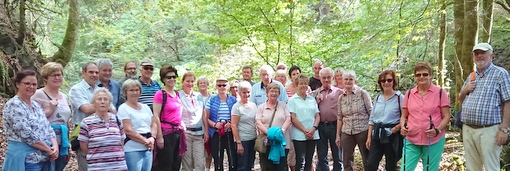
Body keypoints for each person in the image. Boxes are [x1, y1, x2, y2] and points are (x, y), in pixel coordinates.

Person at [459, 43, 510, 171]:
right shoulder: (471, 76)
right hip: (468, 129)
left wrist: (504, 129)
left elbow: (508, 102)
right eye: (476, 53)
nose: (479, 56)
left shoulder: (500, 74)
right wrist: (465, 90)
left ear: (491, 55)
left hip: (489, 130)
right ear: (473, 57)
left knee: (491, 167)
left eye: (483, 53)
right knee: (471, 168)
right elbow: (460, 100)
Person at [2, 70, 58, 171]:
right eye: (27, 83)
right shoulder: (14, 105)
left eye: (34, 84)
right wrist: (48, 150)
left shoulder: (35, 105)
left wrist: (55, 146)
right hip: (26, 159)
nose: (31, 87)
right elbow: (26, 134)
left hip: (43, 158)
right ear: (18, 84)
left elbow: (47, 127)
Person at [400, 61, 450, 171]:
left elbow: (446, 116)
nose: (421, 77)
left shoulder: (441, 93)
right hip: (412, 139)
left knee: (430, 169)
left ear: (430, 75)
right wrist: (403, 126)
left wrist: (437, 130)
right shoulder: (409, 94)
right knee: (405, 169)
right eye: (418, 75)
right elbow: (404, 116)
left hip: (433, 140)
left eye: (425, 74)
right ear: (415, 77)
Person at [69, 62, 116, 171]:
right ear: (83, 73)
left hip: (104, 135)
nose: (94, 75)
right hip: (85, 134)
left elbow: (114, 112)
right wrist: (105, 107)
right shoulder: (76, 89)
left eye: (96, 72)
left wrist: (101, 107)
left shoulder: (100, 91)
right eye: (91, 72)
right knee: (87, 166)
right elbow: (86, 109)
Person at [31, 62, 72, 171]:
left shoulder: (64, 96)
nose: (57, 78)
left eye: (59, 75)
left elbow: (66, 122)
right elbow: (32, 119)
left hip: (62, 140)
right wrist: (49, 110)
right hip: (45, 141)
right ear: (45, 78)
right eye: (53, 75)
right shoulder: (37, 95)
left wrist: (67, 144)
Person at [78, 88, 128, 171]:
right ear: (93, 103)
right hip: (97, 167)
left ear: (109, 103)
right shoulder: (86, 122)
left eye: (105, 99)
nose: (102, 102)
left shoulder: (117, 119)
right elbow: (84, 146)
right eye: (99, 99)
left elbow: (121, 142)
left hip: (119, 166)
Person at [365, 70, 403, 171]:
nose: (386, 83)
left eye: (389, 80)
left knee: (391, 165)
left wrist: (394, 129)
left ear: (393, 81)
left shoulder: (399, 98)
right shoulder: (378, 98)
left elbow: (406, 117)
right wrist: (369, 137)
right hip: (377, 134)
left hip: (392, 135)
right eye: (383, 81)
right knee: (370, 165)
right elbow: (372, 118)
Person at [117, 79, 158, 171]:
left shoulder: (146, 107)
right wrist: (145, 141)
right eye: (131, 90)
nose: (134, 92)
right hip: (132, 149)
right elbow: (128, 130)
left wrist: (152, 138)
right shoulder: (123, 108)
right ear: (125, 92)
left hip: (148, 148)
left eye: (137, 90)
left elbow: (153, 124)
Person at [335, 70, 372, 171]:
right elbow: (339, 117)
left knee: (367, 158)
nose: (348, 81)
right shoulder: (341, 98)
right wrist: (338, 135)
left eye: (350, 79)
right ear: (342, 81)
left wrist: (370, 134)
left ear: (354, 80)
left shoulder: (362, 94)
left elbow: (371, 114)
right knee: (347, 160)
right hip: (346, 131)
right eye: (346, 79)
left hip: (362, 130)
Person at [152, 65, 185, 171]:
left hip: (178, 133)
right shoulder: (160, 94)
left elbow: (177, 113)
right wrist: (159, 137)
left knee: (176, 164)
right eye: (169, 77)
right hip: (166, 133)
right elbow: (156, 115)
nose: (172, 79)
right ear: (163, 79)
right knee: (165, 165)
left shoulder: (177, 94)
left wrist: (182, 123)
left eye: (174, 77)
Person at [312, 68, 343, 171]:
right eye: (324, 78)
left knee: (337, 155)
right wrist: (316, 101)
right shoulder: (315, 93)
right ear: (320, 79)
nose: (326, 80)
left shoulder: (339, 93)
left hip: (335, 126)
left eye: (328, 77)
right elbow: (310, 111)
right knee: (322, 155)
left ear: (332, 78)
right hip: (320, 126)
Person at [256, 83, 292, 171]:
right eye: (271, 91)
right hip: (267, 142)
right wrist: (270, 134)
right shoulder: (261, 107)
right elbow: (258, 122)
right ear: (267, 93)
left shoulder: (283, 105)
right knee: (267, 167)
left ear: (279, 94)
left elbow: (288, 118)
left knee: (282, 167)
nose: (274, 93)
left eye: (276, 91)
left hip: (281, 142)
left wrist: (281, 131)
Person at [289, 74, 320, 171]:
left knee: (309, 161)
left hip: (313, 134)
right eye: (301, 83)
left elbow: (317, 115)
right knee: (300, 161)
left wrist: (313, 129)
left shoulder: (311, 99)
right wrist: (305, 131)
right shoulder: (292, 100)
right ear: (297, 85)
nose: (303, 86)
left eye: (305, 83)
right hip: (299, 135)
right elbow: (293, 118)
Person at [206, 77, 238, 171]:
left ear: (227, 86)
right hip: (216, 133)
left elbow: (238, 115)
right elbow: (206, 118)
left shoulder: (233, 100)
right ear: (216, 86)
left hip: (230, 132)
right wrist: (215, 125)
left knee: (232, 158)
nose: (222, 87)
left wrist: (231, 123)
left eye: (224, 85)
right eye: (219, 85)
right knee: (218, 159)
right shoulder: (211, 100)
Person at [179, 71, 207, 171]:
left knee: (200, 164)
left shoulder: (199, 96)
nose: (190, 84)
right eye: (188, 81)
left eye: (192, 81)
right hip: (186, 134)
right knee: (187, 164)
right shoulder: (178, 96)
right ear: (183, 82)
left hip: (199, 134)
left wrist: (206, 131)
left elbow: (203, 114)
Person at [231, 81, 258, 171]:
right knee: (242, 166)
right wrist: (239, 143)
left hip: (253, 139)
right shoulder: (236, 107)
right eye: (244, 92)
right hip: (243, 140)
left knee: (250, 165)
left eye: (248, 92)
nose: (246, 94)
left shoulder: (254, 105)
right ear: (239, 93)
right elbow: (234, 125)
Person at [196, 76, 214, 171]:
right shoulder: (195, 97)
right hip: (198, 126)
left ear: (208, 84)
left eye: (204, 83)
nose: (202, 84)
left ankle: (207, 168)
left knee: (209, 150)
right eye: (200, 83)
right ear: (198, 85)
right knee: (199, 150)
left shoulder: (213, 97)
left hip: (210, 127)